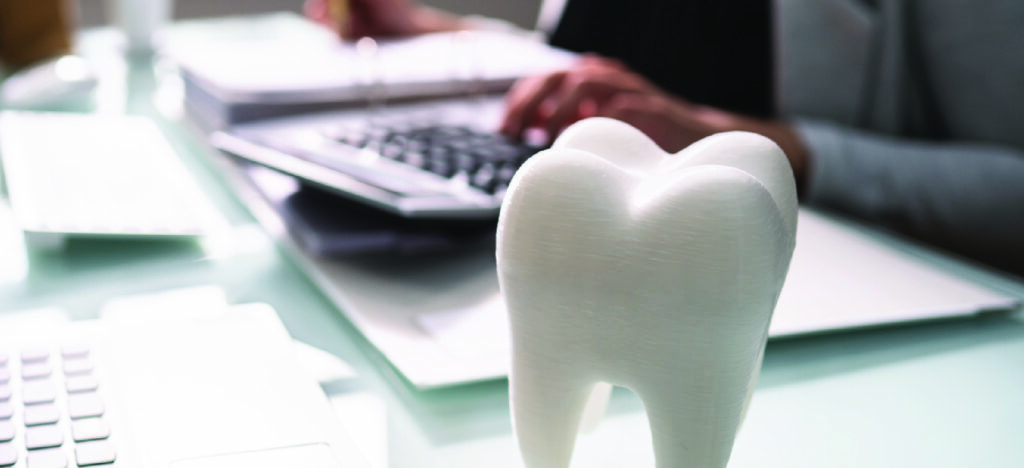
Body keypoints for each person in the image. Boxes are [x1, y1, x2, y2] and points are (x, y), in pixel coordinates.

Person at [306, 0, 1024, 276]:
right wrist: (447, 34)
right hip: (554, 264)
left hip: (778, 299)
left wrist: (751, 143)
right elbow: (604, 69)